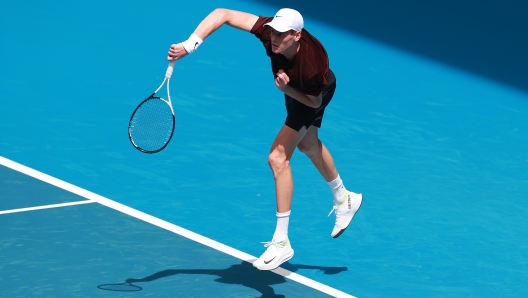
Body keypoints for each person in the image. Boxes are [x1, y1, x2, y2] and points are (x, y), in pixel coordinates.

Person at [167, 8, 363, 271]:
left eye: (281, 35)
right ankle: (344, 198)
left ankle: (281, 242)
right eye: (273, 31)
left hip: (311, 92)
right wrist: (189, 45)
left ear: (295, 36)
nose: (274, 37)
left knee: (277, 157)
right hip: (292, 87)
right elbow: (223, 14)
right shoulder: (269, 31)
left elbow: (314, 101)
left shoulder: (312, 65)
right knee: (308, 143)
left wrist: (288, 89)